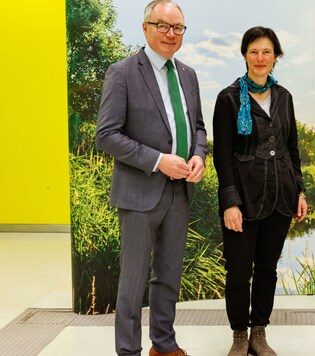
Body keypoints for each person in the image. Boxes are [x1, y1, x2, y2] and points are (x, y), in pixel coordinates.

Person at [95, 1, 207, 355]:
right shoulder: (123, 72)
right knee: (132, 282)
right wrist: (158, 161)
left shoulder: (187, 74)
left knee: (169, 276)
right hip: (139, 193)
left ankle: (163, 343)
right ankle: (128, 351)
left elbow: (199, 128)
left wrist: (199, 156)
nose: (171, 34)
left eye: (178, 28)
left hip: (180, 193)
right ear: (145, 28)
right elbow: (107, 134)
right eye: (163, 26)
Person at [212, 26, 308, 356]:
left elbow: (292, 149)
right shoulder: (228, 98)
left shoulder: (284, 97)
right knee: (239, 271)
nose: (260, 58)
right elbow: (222, 156)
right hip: (243, 200)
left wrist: (300, 191)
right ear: (244, 56)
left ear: (276, 57)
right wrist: (230, 201)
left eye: (267, 52)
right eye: (254, 51)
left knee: (267, 269)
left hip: (280, 197)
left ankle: (259, 332)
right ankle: (239, 335)